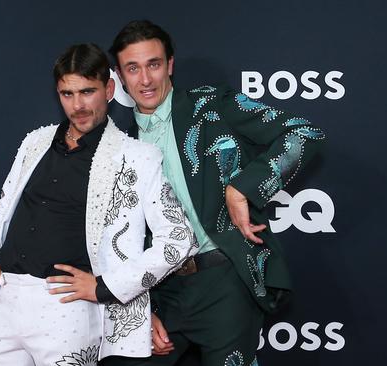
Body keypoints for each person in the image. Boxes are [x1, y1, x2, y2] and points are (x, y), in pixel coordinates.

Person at [101, 20, 325, 366]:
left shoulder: (212, 107)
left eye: (154, 64)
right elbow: (115, 243)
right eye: (133, 68)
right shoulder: (118, 148)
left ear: (170, 65)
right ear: (119, 75)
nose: (145, 80)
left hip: (224, 282)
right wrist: (137, 310)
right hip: (158, 293)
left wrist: (242, 189)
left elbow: (303, 134)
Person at [0, 43, 197, 366]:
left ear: (109, 89)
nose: (78, 105)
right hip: (8, 299)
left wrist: (106, 287)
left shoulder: (137, 157)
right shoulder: (34, 143)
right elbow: (3, 209)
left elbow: (178, 239)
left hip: (68, 306)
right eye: (67, 94)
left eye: (87, 92)